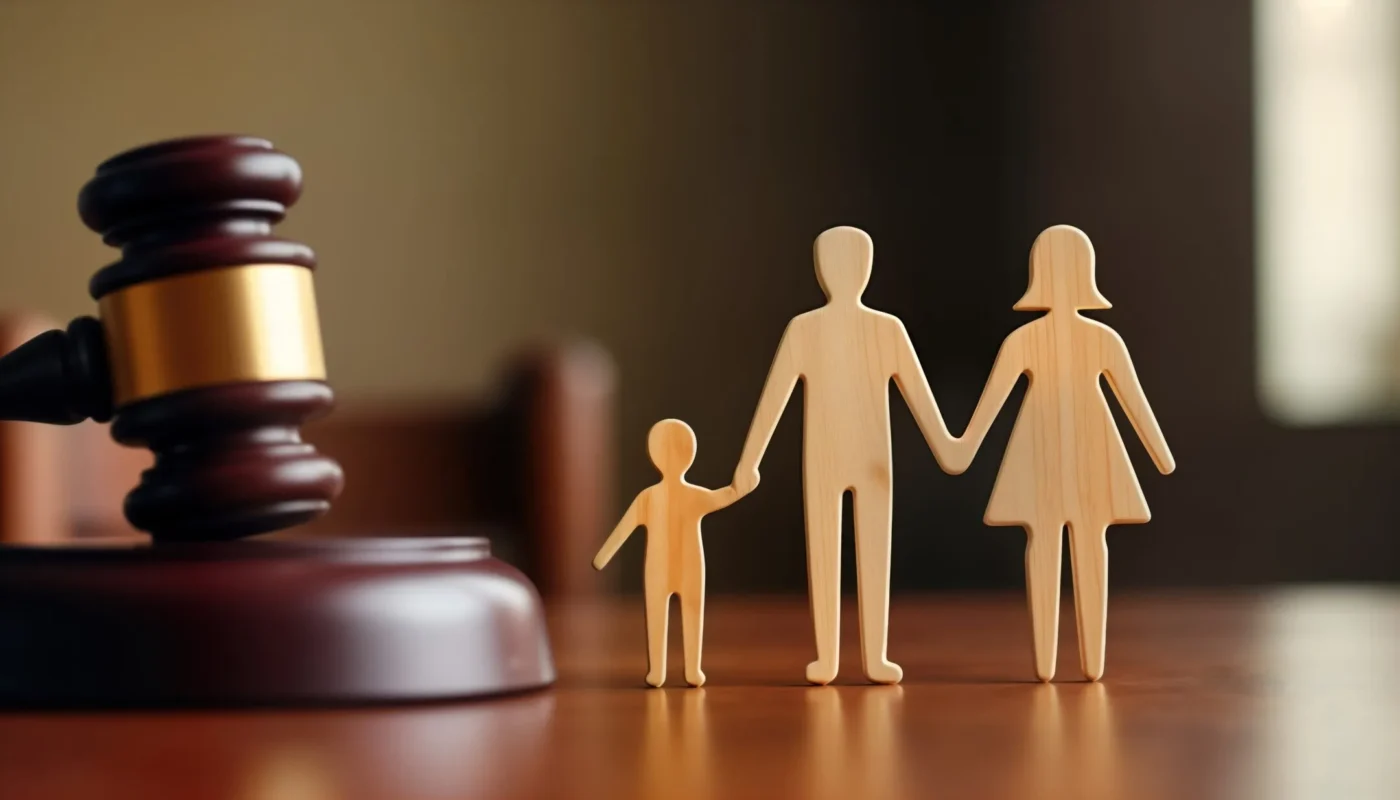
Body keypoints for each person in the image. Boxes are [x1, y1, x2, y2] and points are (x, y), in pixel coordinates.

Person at [733, 226, 962, 685]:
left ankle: (855, 658)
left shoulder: (863, 329)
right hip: (840, 457)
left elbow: (918, 397)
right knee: (846, 552)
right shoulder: (834, 329)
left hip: (861, 458)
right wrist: (948, 448)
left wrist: (750, 461)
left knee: (842, 551)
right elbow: (775, 398)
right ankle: (844, 659)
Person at [953, 225, 1175, 681]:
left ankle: (1064, 661)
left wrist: (962, 448)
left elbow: (1133, 402)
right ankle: (1074, 661)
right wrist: (1159, 455)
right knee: (1079, 543)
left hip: (1053, 451)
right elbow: (1134, 406)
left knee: (1049, 543)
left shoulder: (1045, 340)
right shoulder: (1089, 339)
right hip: (1076, 451)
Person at [593, 419, 740, 687]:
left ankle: (689, 670)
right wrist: (603, 556)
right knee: (667, 614)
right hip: (665, 567)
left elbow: (724, 496)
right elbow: (623, 529)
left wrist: (741, 487)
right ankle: (664, 671)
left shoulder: (657, 496)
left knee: (689, 613)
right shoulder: (650, 498)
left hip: (683, 566)